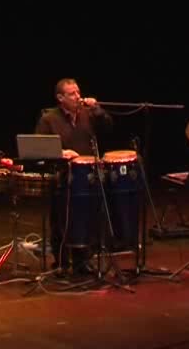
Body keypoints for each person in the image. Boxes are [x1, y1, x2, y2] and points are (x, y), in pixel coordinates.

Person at [35, 78, 113, 276]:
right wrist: (62, 153)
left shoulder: (89, 114)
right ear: (60, 98)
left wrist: (98, 109)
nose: (78, 96)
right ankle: (62, 262)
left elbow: (108, 127)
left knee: (87, 219)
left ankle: (83, 260)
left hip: (87, 175)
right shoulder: (49, 119)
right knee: (61, 220)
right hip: (61, 175)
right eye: (72, 93)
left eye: (78, 92)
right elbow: (38, 148)